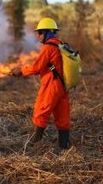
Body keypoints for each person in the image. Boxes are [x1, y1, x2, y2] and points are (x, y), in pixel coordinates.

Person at [10, 17, 70, 149]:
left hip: (52, 85)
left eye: (40, 33)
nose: (38, 36)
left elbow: (37, 67)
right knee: (62, 115)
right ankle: (64, 146)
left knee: (41, 111)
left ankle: (33, 144)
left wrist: (21, 71)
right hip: (63, 86)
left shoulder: (48, 48)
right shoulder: (60, 44)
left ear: (47, 32)